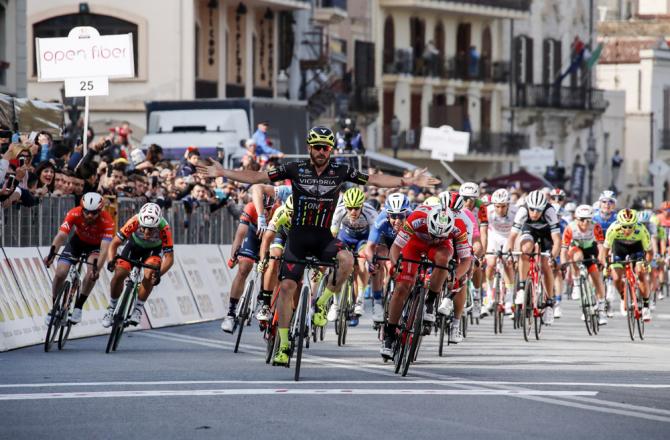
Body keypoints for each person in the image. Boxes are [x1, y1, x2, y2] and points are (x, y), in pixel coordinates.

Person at [198, 126, 439, 366]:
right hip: (298, 237)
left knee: (347, 260)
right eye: (317, 147)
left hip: (323, 236)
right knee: (286, 288)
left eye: (326, 147)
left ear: (331, 149)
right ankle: (283, 344)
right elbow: (258, 178)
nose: (321, 151)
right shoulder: (295, 168)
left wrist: (406, 181)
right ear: (309, 148)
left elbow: (374, 179)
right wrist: (223, 172)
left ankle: (322, 304)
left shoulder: (340, 171)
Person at [381, 206, 471, 358]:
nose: (435, 237)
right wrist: (397, 265)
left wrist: (454, 277)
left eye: (440, 235)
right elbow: (396, 247)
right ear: (428, 222)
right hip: (415, 243)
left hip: (441, 248)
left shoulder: (458, 226)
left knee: (444, 260)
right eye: (433, 233)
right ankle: (389, 335)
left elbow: (466, 260)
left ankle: (430, 302)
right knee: (402, 286)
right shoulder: (417, 218)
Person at [43, 193, 113, 325]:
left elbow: (104, 248)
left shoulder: (107, 220)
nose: (90, 216)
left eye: (94, 213)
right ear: (82, 209)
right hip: (77, 243)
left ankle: (78, 307)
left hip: (95, 247)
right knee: (60, 273)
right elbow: (62, 235)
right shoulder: (74, 213)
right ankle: (54, 308)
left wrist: (98, 269)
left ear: (100, 211)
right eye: (86, 212)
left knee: (92, 272)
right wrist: (52, 254)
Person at [103, 203, 175, 327]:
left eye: (151, 229)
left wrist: (158, 274)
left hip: (153, 251)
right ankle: (111, 308)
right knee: (120, 273)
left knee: (150, 274)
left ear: (157, 225)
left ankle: (138, 309)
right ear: (140, 222)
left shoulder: (164, 228)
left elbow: (169, 258)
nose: (146, 233)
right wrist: (111, 260)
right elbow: (114, 243)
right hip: (134, 246)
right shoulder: (134, 221)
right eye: (143, 228)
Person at [221, 191, 276, 333]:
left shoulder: (277, 209)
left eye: (268, 209)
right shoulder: (250, 207)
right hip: (252, 234)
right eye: (262, 208)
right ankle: (231, 314)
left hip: (270, 237)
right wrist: (233, 257)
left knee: (271, 265)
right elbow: (240, 235)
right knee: (244, 267)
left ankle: (264, 300)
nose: (265, 212)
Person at [506, 190, 561, 325]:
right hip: (530, 229)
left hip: (547, 233)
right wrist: (509, 253)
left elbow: (557, 240)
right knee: (525, 250)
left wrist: (552, 257)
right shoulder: (522, 211)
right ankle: (522, 287)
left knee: (545, 264)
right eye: (532, 209)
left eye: (538, 210)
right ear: (527, 206)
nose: (535, 213)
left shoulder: (550, 211)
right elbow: (512, 237)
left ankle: (549, 303)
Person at [329, 187, 378, 326]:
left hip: (363, 240)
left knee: (362, 261)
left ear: (362, 205)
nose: (353, 212)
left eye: (356, 208)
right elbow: (332, 235)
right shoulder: (339, 210)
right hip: (344, 238)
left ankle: (360, 300)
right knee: (337, 266)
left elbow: (374, 239)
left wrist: (370, 256)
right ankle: (336, 304)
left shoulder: (371, 212)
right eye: (349, 208)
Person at [364, 192, 412, 323]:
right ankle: (378, 303)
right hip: (386, 241)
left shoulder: (413, 219)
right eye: (393, 216)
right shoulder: (381, 219)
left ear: (406, 213)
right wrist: (370, 262)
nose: (397, 220)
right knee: (377, 260)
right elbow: (369, 247)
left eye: (401, 216)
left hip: (405, 242)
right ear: (387, 214)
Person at [601, 209, 653, 321]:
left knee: (640, 272)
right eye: (625, 226)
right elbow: (605, 250)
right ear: (620, 224)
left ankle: (645, 306)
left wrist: (646, 263)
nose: (628, 229)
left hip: (636, 248)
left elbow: (649, 252)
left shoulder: (642, 230)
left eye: (631, 226)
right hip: (619, 248)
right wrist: (607, 264)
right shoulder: (613, 229)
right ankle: (623, 295)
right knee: (616, 278)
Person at [561, 204, 607, 325]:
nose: (585, 223)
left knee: (597, 279)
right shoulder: (570, 228)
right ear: (576, 218)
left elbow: (601, 246)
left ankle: (601, 309)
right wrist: (563, 263)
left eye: (588, 220)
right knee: (576, 257)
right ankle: (576, 283)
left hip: (591, 250)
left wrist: (601, 260)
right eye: (582, 219)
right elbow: (564, 249)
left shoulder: (595, 227)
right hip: (576, 249)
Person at [479, 189, 517, 315]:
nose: (500, 210)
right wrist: (483, 251)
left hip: (510, 237)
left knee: (508, 264)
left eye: (503, 206)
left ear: (508, 205)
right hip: (493, 236)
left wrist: (514, 252)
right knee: (490, 264)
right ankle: (488, 296)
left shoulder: (515, 212)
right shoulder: (487, 210)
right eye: (497, 206)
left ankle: (509, 299)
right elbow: (483, 232)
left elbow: (518, 233)